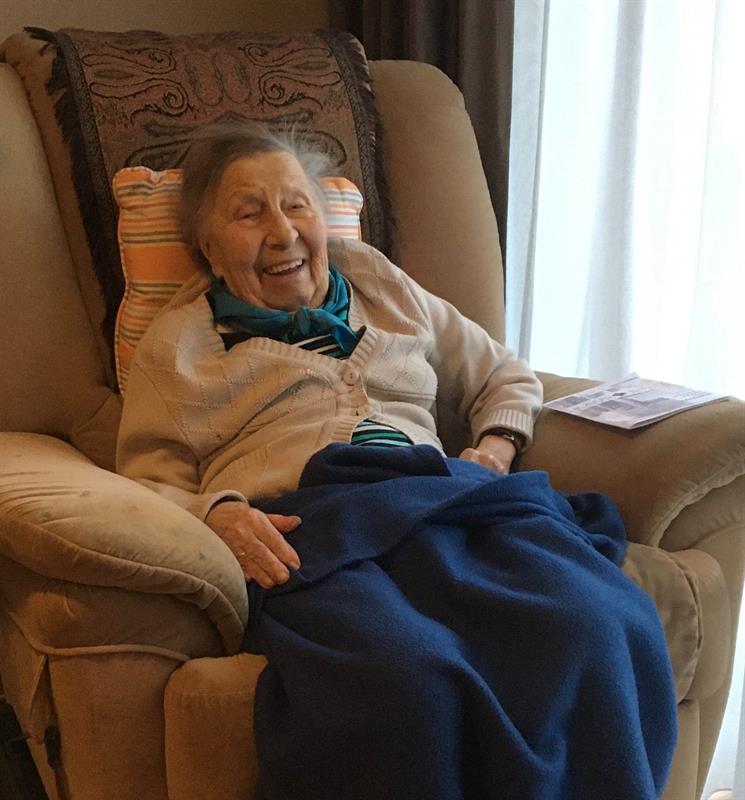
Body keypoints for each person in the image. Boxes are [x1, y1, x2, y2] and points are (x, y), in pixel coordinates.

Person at [116, 123, 676, 800]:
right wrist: (219, 514)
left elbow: (503, 373)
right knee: (408, 682)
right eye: (248, 213)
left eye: (296, 205)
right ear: (207, 246)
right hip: (313, 534)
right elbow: (145, 481)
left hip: (444, 503)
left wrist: (495, 448)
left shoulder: (378, 282)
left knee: (603, 624)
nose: (283, 232)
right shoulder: (178, 345)